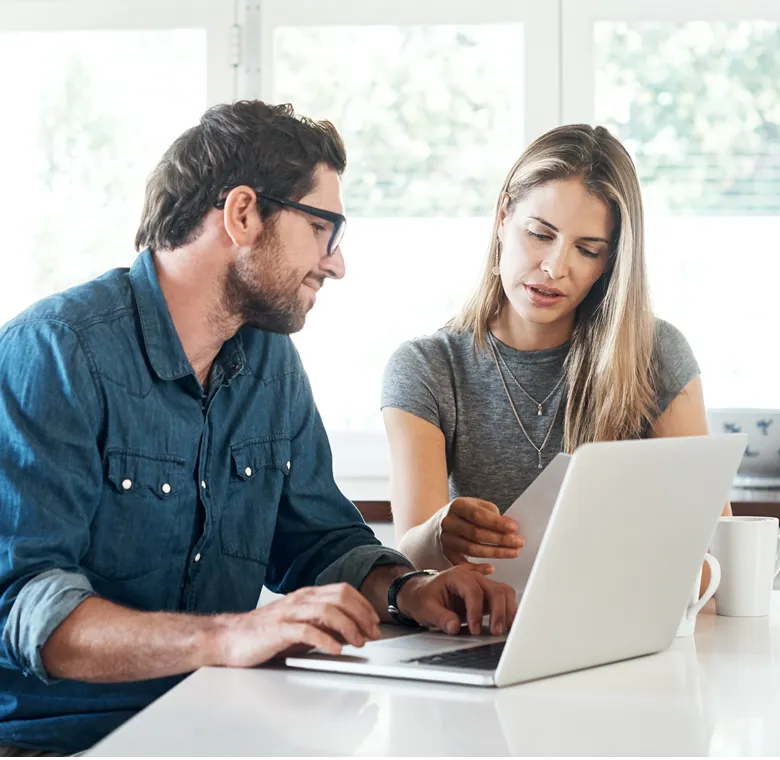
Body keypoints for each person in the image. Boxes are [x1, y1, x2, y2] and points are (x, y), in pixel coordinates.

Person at [0, 100, 517, 758]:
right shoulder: (54, 353)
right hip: (59, 741)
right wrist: (227, 636)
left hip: (219, 721)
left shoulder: (268, 361)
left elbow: (318, 539)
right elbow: (24, 608)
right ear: (243, 214)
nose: (336, 264)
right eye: (322, 228)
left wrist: (410, 592)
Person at [381, 123, 731, 574]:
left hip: (619, 630)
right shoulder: (427, 368)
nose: (554, 267)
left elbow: (713, 550)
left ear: (610, 263)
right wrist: (440, 531)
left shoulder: (654, 354)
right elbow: (412, 562)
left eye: (587, 250)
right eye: (540, 234)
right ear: (504, 217)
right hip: (481, 627)